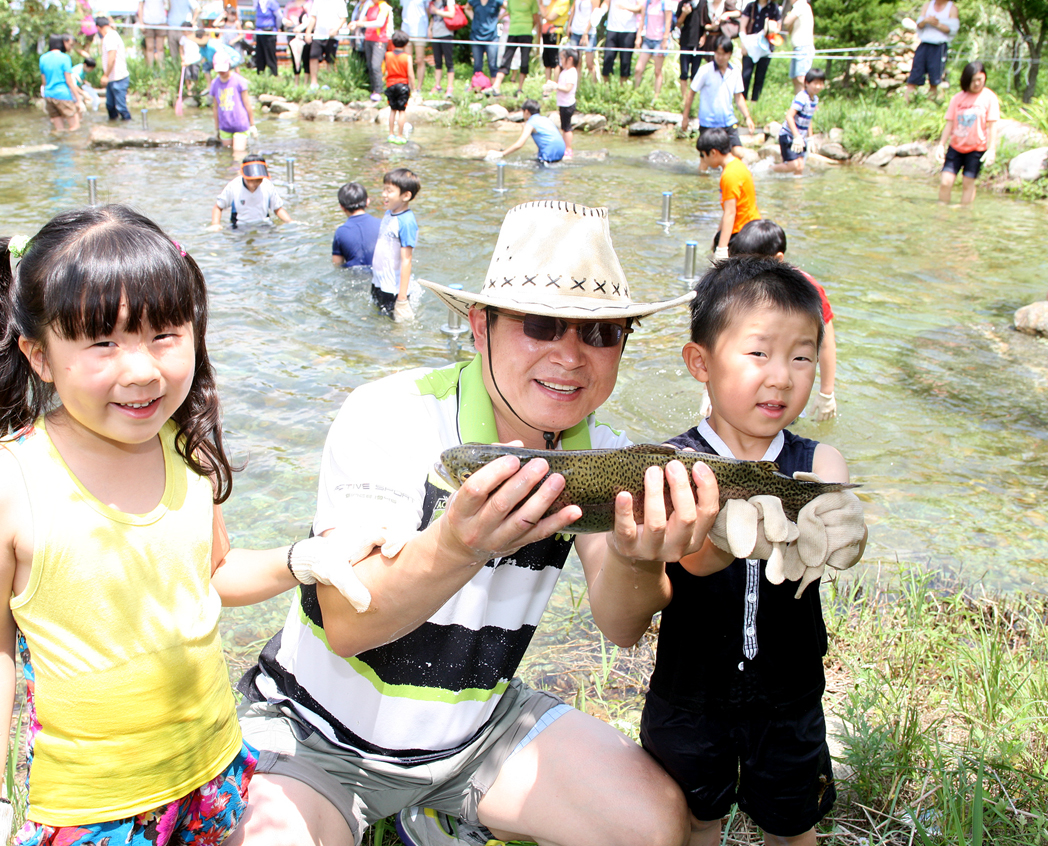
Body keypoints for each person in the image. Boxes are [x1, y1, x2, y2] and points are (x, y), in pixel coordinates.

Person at [234, 199, 714, 846]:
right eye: (541, 325)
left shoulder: (604, 452)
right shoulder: (389, 414)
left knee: (655, 824)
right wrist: (460, 545)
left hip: (475, 731)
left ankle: (426, 813)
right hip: (322, 735)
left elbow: (622, 627)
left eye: (601, 333)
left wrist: (638, 555)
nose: (572, 356)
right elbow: (345, 623)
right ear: (480, 326)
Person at [0, 204, 376, 846]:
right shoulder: (4, 490)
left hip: (213, 770)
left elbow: (212, 574)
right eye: (103, 343)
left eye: (165, 335)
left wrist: (297, 560)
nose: (142, 370)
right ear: (38, 355)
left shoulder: (184, 449)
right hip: (92, 807)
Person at [640, 255, 866, 846]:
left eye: (802, 356)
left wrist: (840, 526)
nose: (783, 376)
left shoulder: (815, 462)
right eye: (759, 353)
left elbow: (832, 507)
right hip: (689, 694)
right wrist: (720, 537)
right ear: (700, 362)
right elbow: (684, 561)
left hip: (789, 697)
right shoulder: (670, 464)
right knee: (693, 822)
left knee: (792, 827)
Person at [727, 220, 838, 421]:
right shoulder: (742, 285)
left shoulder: (806, 291)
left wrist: (826, 393)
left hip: (785, 384)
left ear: (778, 259)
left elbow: (826, 343)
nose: (743, 273)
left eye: (752, 266)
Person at [680, 36, 754, 162]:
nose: (720, 57)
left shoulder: (735, 71)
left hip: (728, 121)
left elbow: (739, 97)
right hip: (708, 123)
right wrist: (685, 118)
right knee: (705, 161)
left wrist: (747, 117)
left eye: (724, 54)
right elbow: (691, 93)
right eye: (718, 53)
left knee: (738, 153)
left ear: (729, 54)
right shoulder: (705, 70)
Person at [936, 61, 999, 207]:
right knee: (946, 182)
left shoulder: (989, 98)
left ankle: (964, 214)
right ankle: (941, 212)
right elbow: (950, 122)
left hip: (977, 149)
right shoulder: (958, 98)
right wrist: (941, 145)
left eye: (980, 80)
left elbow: (992, 125)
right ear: (966, 80)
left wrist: (992, 149)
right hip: (956, 147)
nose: (977, 83)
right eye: (974, 80)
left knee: (968, 182)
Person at [698, 127, 760, 259]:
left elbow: (730, 213)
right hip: (750, 228)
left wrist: (722, 249)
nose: (704, 160)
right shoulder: (736, 165)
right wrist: (718, 236)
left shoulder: (730, 175)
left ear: (713, 153)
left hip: (743, 234)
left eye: (703, 155)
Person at [368, 167, 418, 321]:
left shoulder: (406, 222)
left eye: (389, 191)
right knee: (377, 321)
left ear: (406, 195)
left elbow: (406, 260)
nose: (384, 194)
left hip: (393, 289)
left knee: (394, 330)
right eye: (384, 189)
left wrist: (402, 299)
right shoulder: (389, 214)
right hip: (379, 282)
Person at [211, 157, 294, 227]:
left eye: (258, 180)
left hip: (263, 225)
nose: (255, 183)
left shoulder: (267, 185)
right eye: (251, 180)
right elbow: (218, 207)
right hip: (240, 226)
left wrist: (290, 221)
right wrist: (215, 224)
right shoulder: (234, 186)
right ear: (243, 175)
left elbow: (277, 209)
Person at [773, 67, 824, 175]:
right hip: (789, 136)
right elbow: (789, 116)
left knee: (800, 166)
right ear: (807, 83)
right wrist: (796, 136)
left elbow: (809, 119)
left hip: (800, 138)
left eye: (821, 83)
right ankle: (768, 169)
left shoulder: (814, 99)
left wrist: (810, 138)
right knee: (793, 165)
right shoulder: (802, 97)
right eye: (815, 83)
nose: (818, 86)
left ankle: (796, 189)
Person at [904, 0, 958, 102]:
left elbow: (952, 30)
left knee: (935, 79)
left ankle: (930, 104)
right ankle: (906, 103)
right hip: (924, 44)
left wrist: (937, 24)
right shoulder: (927, 5)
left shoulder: (952, 9)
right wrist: (926, 21)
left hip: (939, 46)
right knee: (914, 76)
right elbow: (919, 25)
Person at [488, 0, 538, 96]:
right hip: (513, 32)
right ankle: (496, 86)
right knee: (506, 59)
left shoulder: (532, 1)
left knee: (524, 61)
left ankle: (520, 88)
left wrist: (528, 28)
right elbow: (509, 12)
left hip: (526, 33)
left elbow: (535, 18)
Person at [494, 98, 566, 163]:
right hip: (561, 150)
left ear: (526, 112)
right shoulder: (546, 119)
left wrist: (502, 153)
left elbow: (519, 144)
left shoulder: (530, 123)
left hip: (549, 153)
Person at [211, 54, 258, 151]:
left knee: (238, 154)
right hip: (225, 125)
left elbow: (247, 104)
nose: (222, 72)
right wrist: (216, 128)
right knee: (226, 155)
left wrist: (252, 125)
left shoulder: (238, 81)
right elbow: (215, 107)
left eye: (224, 69)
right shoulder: (215, 83)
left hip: (240, 124)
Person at [348, 0, 393, 100]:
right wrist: (355, 23)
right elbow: (364, 19)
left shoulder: (384, 6)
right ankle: (373, 89)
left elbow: (379, 23)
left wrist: (362, 24)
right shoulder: (371, 6)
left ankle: (378, 90)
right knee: (369, 65)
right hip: (368, 39)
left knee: (376, 65)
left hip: (379, 40)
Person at [39, 34, 84, 132]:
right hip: (63, 95)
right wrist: (78, 99)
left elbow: (44, 81)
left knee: (59, 130)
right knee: (75, 127)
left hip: (49, 95)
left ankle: (59, 145)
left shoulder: (43, 58)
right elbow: (69, 81)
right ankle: (71, 146)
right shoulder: (64, 58)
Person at [332, 182, 382, 268]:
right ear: (367, 202)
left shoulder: (340, 232)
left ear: (342, 207)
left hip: (355, 276)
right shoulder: (382, 224)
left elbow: (337, 264)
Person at [737, 0, 779, 101]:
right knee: (745, 75)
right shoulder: (751, 6)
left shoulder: (774, 8)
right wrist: (743, 43)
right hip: (750, 45)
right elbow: (743, 26)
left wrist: (769, 29)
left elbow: (778, 26)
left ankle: (755, 101)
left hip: (765, 47)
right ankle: (742, 101)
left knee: (760, 76)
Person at [94, 17, 131, 121]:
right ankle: (114, 127)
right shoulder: (110, 36)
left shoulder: (110, 37)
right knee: (110, 106)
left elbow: (112, 57)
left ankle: (127, 127)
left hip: (118, 78)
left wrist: (105, 75)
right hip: (113, 78)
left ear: (98, 27)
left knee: (121, 107)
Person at [384, 30, 416, 142]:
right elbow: (410, 74)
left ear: (392, 42)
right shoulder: (407, 57)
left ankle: (391, 134)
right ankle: (400, 136)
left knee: (392, 110)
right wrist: (414, 87)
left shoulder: (388, 55)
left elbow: (385, 70)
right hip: (402, 85)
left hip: (390, 84)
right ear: (406, 43)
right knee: (402, 111)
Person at [308, 0, 347, 89]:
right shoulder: (317, 1)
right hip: (318, 35)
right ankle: (313, 83)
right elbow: (313, 17)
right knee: (313, 57)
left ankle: (329, 82)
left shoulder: (340, 2)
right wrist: (308, 32)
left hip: (332, 37)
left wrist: (335, 29)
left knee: (330, 60)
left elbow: (343, 18)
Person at [633, 0, 669, 95]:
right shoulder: (647, 2)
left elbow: (668, 22)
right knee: (638, 69)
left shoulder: (665, 3)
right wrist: (638, 36)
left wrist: (665, 40)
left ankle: (656, 97)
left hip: (659, 41)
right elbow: (642, 19)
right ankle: (635, 93)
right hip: (647, 40)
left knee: (657, 70)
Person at [602, 0, 642, 82]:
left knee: (625, 63)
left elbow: (640, 8)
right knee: (607, 61)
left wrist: (625, 7)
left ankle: (622, 90)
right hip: (612, 28)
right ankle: (606, 91)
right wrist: (600, 11)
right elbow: (606, 3)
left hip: (628, 30)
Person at [465, 0, 504, 81]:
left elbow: (509, 8)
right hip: (476, 35)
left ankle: (494, 88)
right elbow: (467, 8)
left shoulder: (496, 1)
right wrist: (473, 18)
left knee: (493, 65)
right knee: (477, 65)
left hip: (492, 36)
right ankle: (478, 86)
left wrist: (499, 17)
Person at [782, 0, 813, 95]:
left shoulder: (801, 5)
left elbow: (786, 22)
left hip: (803, 47)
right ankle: (799, 105)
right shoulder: (799, 7)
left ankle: (811, 102)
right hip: (798, 47)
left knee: (802, 78)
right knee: (796, 79)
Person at [427, 0, 457, 95]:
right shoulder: (432, 3)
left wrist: (436, 11)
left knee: (449, 61)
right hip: (436, 33)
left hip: (446, 33)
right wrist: (429, 29)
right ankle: (437, 85)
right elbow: (432, 17)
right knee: (437, 61)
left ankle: (450, 86)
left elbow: (451, 14)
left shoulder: (448, 1)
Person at [555, 46, 579, 157]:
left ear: (570, 59)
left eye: (562, 59)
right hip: (562, 103)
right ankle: (565, 147)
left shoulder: (572, 72)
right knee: (564, 127)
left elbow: (568, 88)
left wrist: (556, 86)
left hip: (568, 104)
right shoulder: (565, 71)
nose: (560, 61)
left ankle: (568, 148)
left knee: (567, 127)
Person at [675, 0, 704, 90]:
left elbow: (706, 23)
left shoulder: (704, 3)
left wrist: (704, 37)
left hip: (698, 42)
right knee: (684, 72)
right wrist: (684, 13)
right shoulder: (682, 3)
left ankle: (692, 97)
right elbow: (678, 24)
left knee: (695, 72)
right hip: (685, 41)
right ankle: (684, 99)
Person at [254, 0, 283, 75]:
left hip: (269, 32)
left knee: (270, 57)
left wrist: (277, 28)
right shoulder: (258, 3)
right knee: (260, 57)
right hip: (259, 33)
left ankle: (274, 75)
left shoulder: (272, 3)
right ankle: (260, 75)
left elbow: (279, 17)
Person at [139, 0, 169, 66]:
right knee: (149, 47)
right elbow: (140, 5)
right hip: (147, 21)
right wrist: (141, 22)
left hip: (161, 21)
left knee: (160, 47)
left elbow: (167, 4)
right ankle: (150, 69)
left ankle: (161, 69)